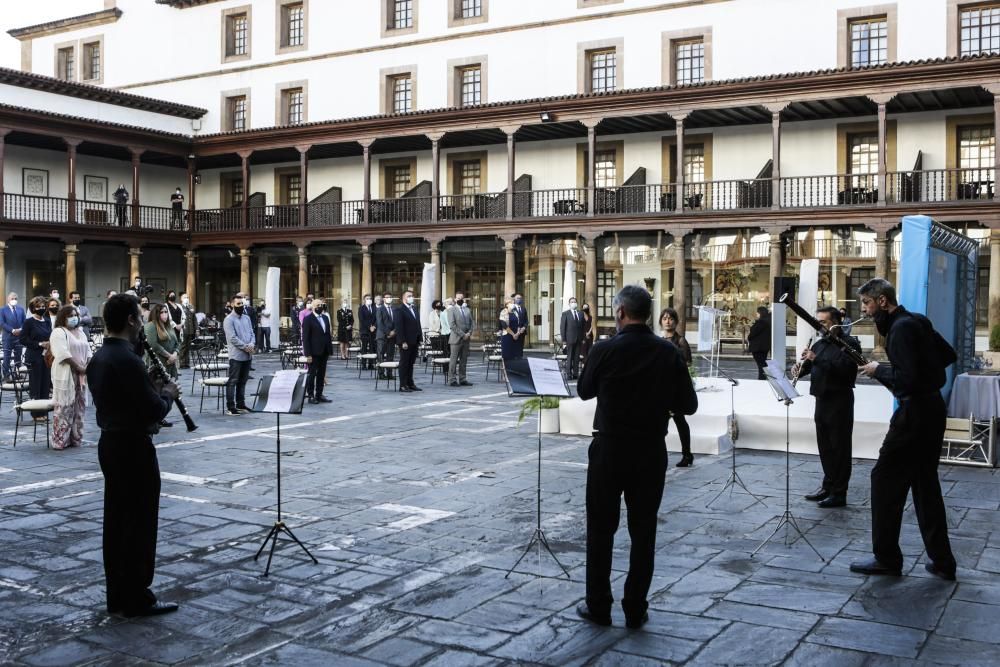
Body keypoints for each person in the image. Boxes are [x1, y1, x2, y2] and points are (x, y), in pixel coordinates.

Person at [576, 286, 698, 630]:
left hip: (610, 449)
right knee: (643, 532)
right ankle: (635, 608)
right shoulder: (667, 352)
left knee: (600, 530)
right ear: (648, 314)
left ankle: (598, 605)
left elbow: (584, 391)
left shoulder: (604, 349)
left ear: (619, 312)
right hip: (649, 450)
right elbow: (688, 405)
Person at [853, 278, 958, 581]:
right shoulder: (918, 321)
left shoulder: (899, 329)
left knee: (884, 481)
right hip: (932, 409)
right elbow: (947, 355)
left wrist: (878, 369)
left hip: (913, 414)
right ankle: (943, 562)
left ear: (883, 301)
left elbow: (907, 378)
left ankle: (886, 558)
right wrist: (923, 373)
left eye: (867, 304)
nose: (866, 310)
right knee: (926, 486)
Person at [87, 293, 179, 618]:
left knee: (116, 522)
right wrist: (166, 394)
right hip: (133, 447)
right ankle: (138, 595)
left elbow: (123, 400)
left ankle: (118, 595)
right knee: (139, 522)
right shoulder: (128, 358)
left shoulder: (99, 357)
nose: (142, 322)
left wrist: (149, 388)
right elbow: (152, 409)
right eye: (139, 317)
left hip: (110, 442)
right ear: (129, 320)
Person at [792, 307, 861, 508]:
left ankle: (840, 493)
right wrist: (800, 368)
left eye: (823, 322)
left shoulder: (849, 344)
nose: (819, 326)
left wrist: (816, 358)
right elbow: (813, 366)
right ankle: (828, 486)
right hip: (821, 399)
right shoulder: (820, 343)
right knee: (825, 447)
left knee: (839, 447)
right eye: (818, 322)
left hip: (839, 401)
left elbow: (846, 370)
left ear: (836, 323)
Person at [49, 304, 91, 449]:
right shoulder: (59, 332)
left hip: (81, 374)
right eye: (70, 316)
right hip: (67, 372)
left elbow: (88, 351)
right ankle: (60, 440)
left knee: (79, 407)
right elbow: (62, 353)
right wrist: (78, 367)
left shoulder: (81, 332)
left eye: (76, 315)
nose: (74, 318)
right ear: (63, 317)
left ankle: (75, 438)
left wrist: (86, 366)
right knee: (64, 406)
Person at [660, 307, 694, 467]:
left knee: (680, 421)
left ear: (676, 321)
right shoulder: (658, 340)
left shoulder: (680, 341)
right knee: (660, 424)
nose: (668, 321)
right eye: (665, 318)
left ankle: (687, 454)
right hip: (662, 388)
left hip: (676, 389)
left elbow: (688, 363)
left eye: (671, 318)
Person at [20, 296, 52, 421]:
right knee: (36, 385)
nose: (41, 308)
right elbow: (22, 339)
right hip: (34, 356)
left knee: (45, 385)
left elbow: (51, 334)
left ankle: (44, 412)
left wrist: (50, 342)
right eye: (38, 307)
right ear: (33, 308)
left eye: (43, 306)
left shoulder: (47, 320)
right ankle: (35, 414)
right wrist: (39, 344)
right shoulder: (29, 322)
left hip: (46, 357)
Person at [222, 295, 255, 416]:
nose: (241, 306)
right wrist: (245, 347)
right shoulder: (229, 319)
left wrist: (251, 344)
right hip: (236, 355)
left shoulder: (246, 318)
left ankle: (241, 404)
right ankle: (231, 406)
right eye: (238, 304)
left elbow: (252, 333)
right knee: (233, 381)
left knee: (243, 381)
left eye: (242, 304)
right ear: (232, 305)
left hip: (248, 355)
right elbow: (232, 338)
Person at [302, 299, 333, 404]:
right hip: (313, 352)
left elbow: (327, 334)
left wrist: (329, 349)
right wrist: (308, 354)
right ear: (314, 306)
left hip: (324, 350)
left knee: (321, 374)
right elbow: (305, 338)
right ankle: (310, 395)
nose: (321, 306)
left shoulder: (325, 317)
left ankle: (319, 395)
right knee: (312, 374)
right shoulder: (308, 319)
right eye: (318, 305)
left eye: (322, 304)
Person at [394, 290, 422, 393]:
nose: (411, 297)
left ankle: (410, 383)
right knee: (404, 363)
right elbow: (399, 326)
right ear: (404, 298)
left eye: (412, 296)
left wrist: (420, 338)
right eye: (409, 296)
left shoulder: (414, 308)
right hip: (406, 341)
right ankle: (402, 385)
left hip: (414, 340)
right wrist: (402, 341)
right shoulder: (399, 309)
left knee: (411, 363)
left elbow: (417, 324)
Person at [447, 290, 474, 387]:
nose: (460, 300)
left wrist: (469, 333)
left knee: (464, 360)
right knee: (453, 360)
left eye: (462, 298)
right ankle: (452, 380)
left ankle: (463, 379)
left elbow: (472, 323)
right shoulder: (451, 310)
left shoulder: (467, 310)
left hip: (466, 339)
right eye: (458, 298)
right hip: (456, 339)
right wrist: (463, 334)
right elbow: (452, 325)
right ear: (455, 299)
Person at [1, 292, 25, 382]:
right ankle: (6, 375)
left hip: (19, 337)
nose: (14, 300)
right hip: (7, 337)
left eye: (15, 299)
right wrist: (12, 330)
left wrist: (21, 329)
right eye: (12, 298)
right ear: (8, 299)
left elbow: (24, 321)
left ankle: (17, 374)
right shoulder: (2, 310)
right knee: (7, 357)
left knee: (18, 356)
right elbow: (2, 323)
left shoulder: (21, 309)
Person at [560, 297, 585, 379]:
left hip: (579, 338)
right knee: (570, 357)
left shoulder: (581, 313)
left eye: (574, 301)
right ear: (569, 304)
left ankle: (575, 374)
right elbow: (562, 327)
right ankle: (568, 374)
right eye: (572, 302)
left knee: (576, 357)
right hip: (569, 339)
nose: (573, 303)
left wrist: (583, 338)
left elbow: (583, 327)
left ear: (577, 303)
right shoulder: (565, 314)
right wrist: (563, 340)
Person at [747, 306, 771, 380]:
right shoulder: (768, 321)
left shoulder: (761, 322)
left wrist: (749, 336)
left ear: (761, 313)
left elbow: (753, 333)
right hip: (764, 347)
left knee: (761, 365)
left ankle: (762, 379)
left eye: (757, 313)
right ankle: (763, 378)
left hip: (758, 347)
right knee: (762, 364)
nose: (756, 314)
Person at [376, 292, 397, 379]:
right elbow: (380, 323)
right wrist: (388, 333)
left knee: (390, 355)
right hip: (382, 336)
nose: (389, 298)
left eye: (390, 297)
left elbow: (397, 322)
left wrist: (394, 332)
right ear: (383, 299)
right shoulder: (380, 309)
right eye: (387, 297)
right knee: (381, 355)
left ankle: (389, 373)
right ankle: (381, 374)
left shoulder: (394, 309)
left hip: (392, 336)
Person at [500, 297, 523, 361]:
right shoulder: (503, 312)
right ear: (506, 304)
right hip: (507, 336)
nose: (512, 304)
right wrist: (513, 334)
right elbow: (504, 325)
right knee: (507, 356)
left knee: (515, 356)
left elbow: (519, 323)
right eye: (510, 303)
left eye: (512, 302)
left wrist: (517, 333)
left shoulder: (515, 312)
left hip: (516, 337)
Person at [359, 294, 377, 370]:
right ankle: (363, 364)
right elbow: (362, 320)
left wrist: (374, 326)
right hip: (365, 331)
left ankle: (371, 364)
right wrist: (369, 327)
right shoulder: (361, 308)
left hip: (373, 331)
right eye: (367, 298)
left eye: (370, 298)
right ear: (364, 300)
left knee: (372, 348)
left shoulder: (374, 308)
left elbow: (377, 318)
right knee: (364, 348)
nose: (369, 300)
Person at [178, 293, 196, 369]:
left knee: (188, 347)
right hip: (183, 330)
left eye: (188, 297)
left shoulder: (191, 306)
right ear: (181, 299)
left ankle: (187, 363)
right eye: (185, 297)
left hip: (190, 330)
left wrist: (197, 329)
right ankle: (182, 363)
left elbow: (194, 319)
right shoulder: (179, 307)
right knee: (183, 347)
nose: (187, 299)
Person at [512, 293, 528, 357]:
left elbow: (526, 320)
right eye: (518, 298)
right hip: (514, 332)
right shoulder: (511, 308)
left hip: (522, 332)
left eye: (520, 298)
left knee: (521, 347)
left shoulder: (524, 309)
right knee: (514, 347)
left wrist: (524, 327)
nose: (519, 299)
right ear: (514, 299)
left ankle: (520, 359)